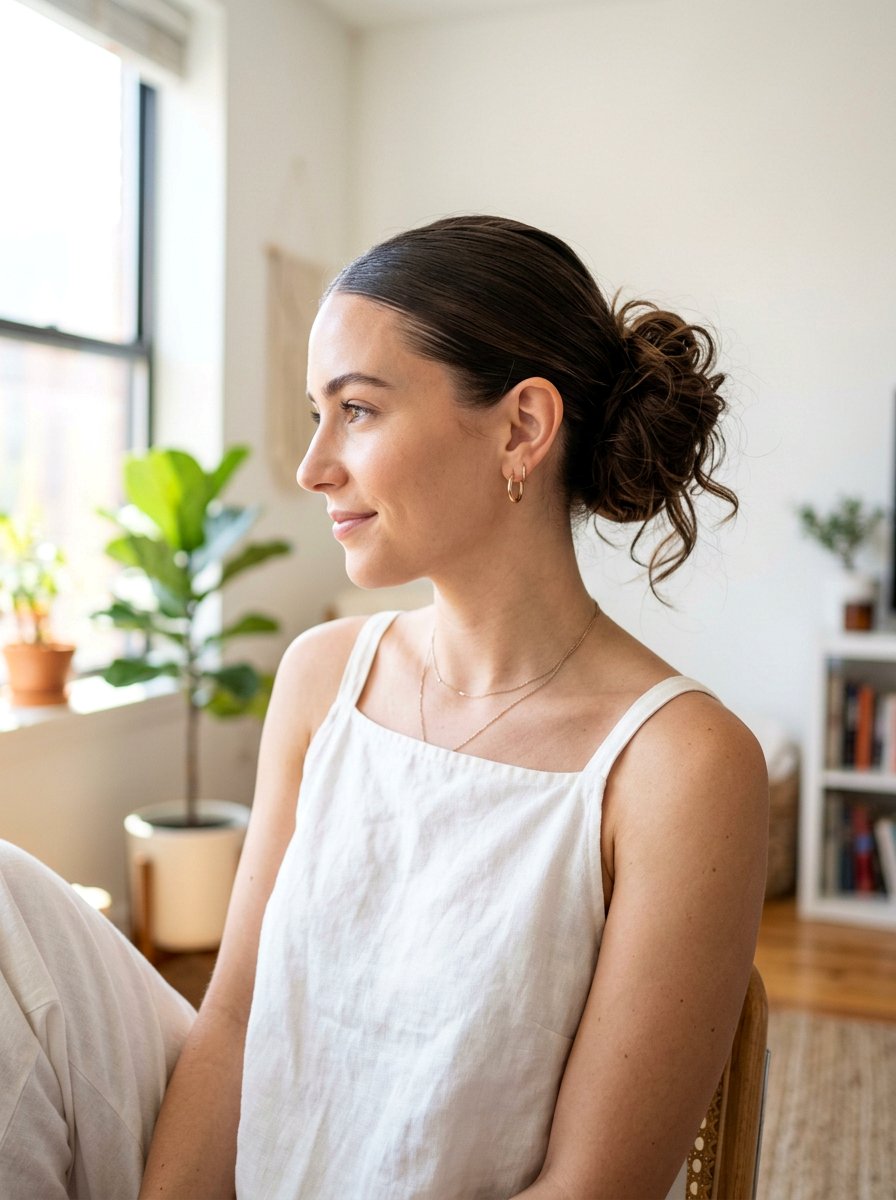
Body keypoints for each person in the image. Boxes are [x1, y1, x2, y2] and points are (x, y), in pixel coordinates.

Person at [0, 215, 768, 1200]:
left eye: (356, 411)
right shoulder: (323, 677)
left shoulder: (681, 766)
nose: (312, 467)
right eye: (317, 413)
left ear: (522, 427)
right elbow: (235, 1022)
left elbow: (586, 1190)